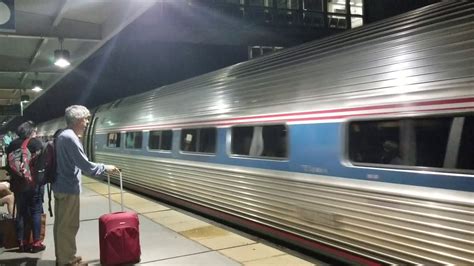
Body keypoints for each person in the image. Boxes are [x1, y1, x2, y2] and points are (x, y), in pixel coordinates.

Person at [52, 105, 118, 266]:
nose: (87, 122)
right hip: (68, 188)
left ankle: (66, 256)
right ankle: (67, 261)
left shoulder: (63, 135)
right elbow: (86, 166)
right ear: (78, 120)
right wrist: (105, 167)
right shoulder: (70, 138)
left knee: (62, 225)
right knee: (68, 226)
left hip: (62, 186)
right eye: (85, 119)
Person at [5, 121, 45, 253]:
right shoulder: (36, 143)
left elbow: (8, 166)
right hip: (33, 184)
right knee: (35, 211)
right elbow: (43, 163)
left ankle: (22, 242)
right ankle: (36, 242)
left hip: (18, 185)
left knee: (21, 213)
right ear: (30, 132)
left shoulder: (11, 145)